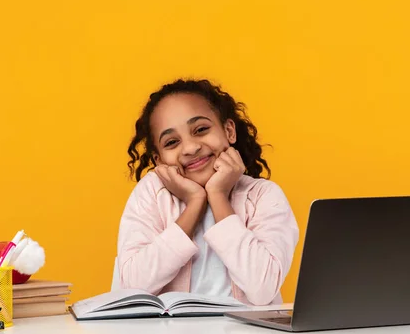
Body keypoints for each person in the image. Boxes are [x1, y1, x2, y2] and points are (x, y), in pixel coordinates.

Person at [117, 78, 299, 306]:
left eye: (201, 129)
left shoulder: (264, 196)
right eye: (172, 142)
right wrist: (194, 203)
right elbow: (131, 289)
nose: (191, 148)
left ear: (229, 131)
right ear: (159, 160)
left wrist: (218, 196)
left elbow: (262, 289)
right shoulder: (151, 195)